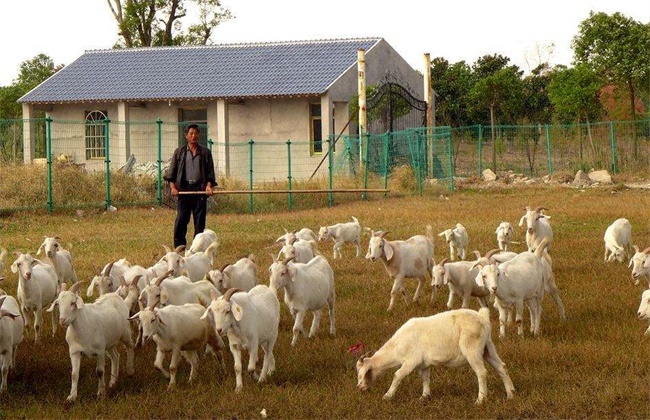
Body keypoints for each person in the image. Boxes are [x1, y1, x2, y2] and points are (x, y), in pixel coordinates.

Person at [164, 124, 216, 248]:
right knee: (181, 220)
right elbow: (171, 174)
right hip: (184, 189)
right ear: (186, 136)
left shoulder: (205, 152)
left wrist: (208, 187)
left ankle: (197, 248)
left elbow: (210, 173)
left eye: (196, 133)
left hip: (200, 190)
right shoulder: (179, 152)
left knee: (199, 222)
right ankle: (180, 247)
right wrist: (173, 188)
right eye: (191, 133)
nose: (194, 136)